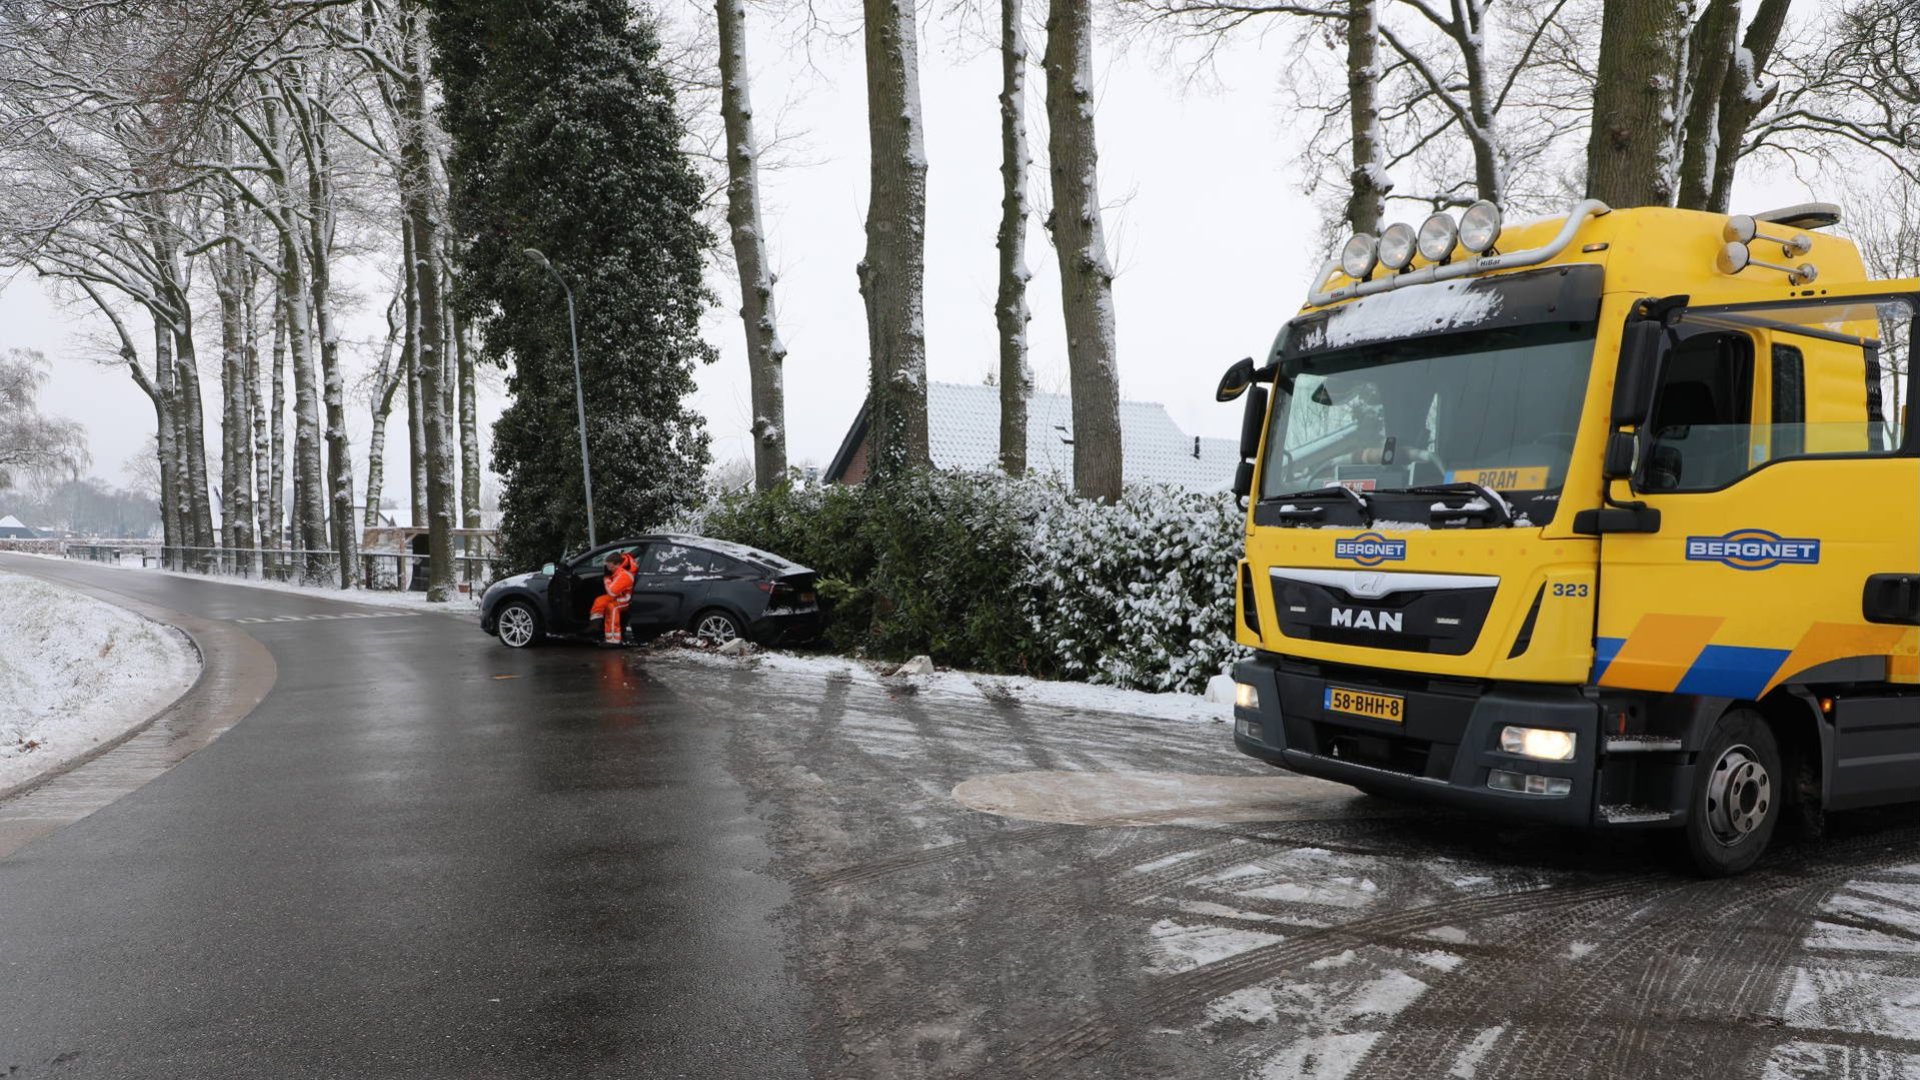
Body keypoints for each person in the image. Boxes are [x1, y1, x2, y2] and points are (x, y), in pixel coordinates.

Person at [589, 551, 636, 645]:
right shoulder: (617, 572)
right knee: (599, 600)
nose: (607, 567)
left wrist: (606, 579)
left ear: (617, 564)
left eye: (609, 565)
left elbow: (612, 592)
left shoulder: (624, 575)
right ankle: (596, 625)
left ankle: (614, 640)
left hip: (625, 599)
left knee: (612, 607)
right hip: (619, 596)